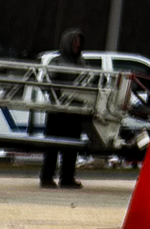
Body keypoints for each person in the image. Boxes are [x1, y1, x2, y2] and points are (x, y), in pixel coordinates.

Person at [40, 29, 90, 189]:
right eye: (75, 41)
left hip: (74, 113)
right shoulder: (57, 62)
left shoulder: (82, 63)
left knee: (71, 147)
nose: (78, 45)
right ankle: (46, 177)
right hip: (58, 112)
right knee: (52, 146)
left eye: (79, 42)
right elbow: (47, 83)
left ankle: (67, 177)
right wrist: (59, 97)